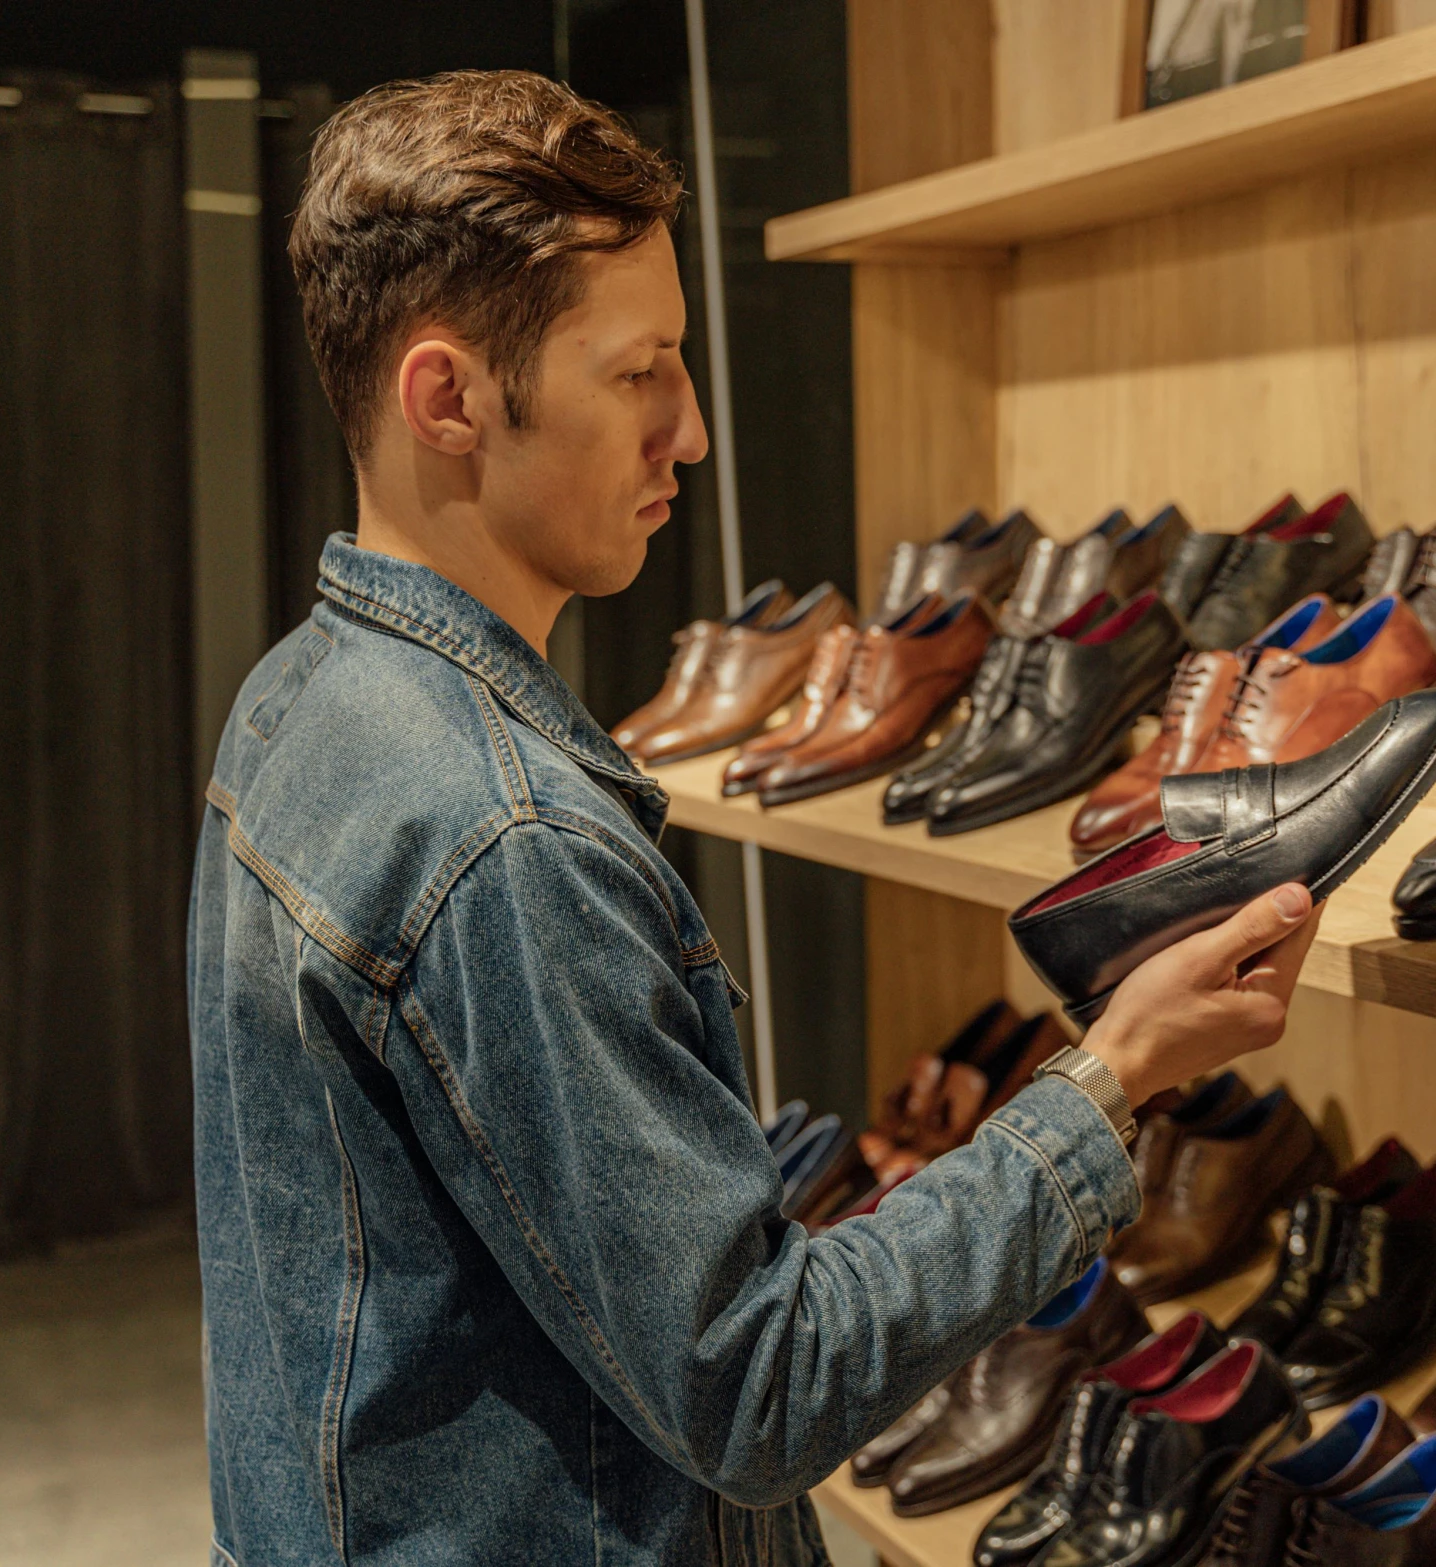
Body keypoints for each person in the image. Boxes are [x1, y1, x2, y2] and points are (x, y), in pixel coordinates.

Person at [188, 70, 1325, 1567]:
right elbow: (757, 1382)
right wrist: (1112, 1076)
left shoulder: (297, 699)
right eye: (638, 370)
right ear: (448, 396)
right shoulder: (504, 838)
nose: (694, 430)